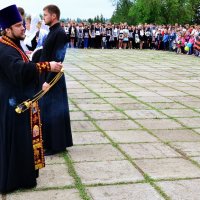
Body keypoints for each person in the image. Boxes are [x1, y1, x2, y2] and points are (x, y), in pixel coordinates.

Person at [0, 4, 63, 194]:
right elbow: (20, 71)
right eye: (19, 25)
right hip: (12, 105)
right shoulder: (4, 49)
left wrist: (38, 85)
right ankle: (13, 180)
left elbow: (24, 66)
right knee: (15, 144)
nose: (23, 28)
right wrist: (46, 66)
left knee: (23, 142)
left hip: (19, 101)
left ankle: (23, 177)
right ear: (8, 29)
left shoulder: (12, 45)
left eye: (22, 24)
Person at [39, 4, 73, 155]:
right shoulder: (52, 32)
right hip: (47, 75)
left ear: (53, 16)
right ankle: (53, 143)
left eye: (45, 15)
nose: (43, 18)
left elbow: (59, 59)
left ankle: (56, 145)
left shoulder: (59, 33)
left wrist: (48, 81)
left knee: (54, 111)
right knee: (49, 110)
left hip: (54, 78)